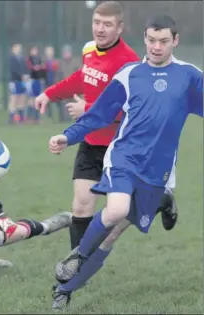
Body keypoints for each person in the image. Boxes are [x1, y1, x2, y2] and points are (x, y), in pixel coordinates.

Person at [48, 15, 203, 309]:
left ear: (175, 41)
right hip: (124, 156)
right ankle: (77, 257)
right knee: (116, 210)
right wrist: (68, 137)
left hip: (157, 170)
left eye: (164, 41)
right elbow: (99, 115)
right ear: (144, 38)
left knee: (113, 235)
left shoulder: (190, 76)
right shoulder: (129, 74)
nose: (157, 47)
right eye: (151, 40)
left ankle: (66, 288)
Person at [35, 1, 178, 253]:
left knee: (124, 214)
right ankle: (75, 264)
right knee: (81, 205)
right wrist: (50, 93)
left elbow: (132, 111)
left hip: (121, 149)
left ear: (120, 28)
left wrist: (86, 109)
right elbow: (81, 77)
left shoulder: (130, 63)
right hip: (91, 143)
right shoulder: (90, 50)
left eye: (107, 24)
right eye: (96, 22)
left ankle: (161, 200)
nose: (100, 29)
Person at [8, 44, 29, 124]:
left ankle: (21, 117)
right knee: (14, 99)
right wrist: (21, 76)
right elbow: (13, 70)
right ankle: (12, 117)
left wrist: (26, 76)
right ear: (13, 49)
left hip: (22, 82)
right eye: (16, 48)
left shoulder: (22, 58)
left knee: (22, 99)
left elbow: (25, 68)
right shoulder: (12, 59)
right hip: (15, 81)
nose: (18, 49)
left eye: (19, 48)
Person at [25, 46, 44, 124]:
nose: (35, 52)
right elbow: (29, 67)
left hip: (38, 81)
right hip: (31, 81)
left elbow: (42, 67)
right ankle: (29, 117)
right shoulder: (28, 59)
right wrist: (35, 68)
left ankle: (37, 117)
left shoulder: (39, 59)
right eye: (33, 50)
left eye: (36, 50)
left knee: (37, 99)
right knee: (31, 99)